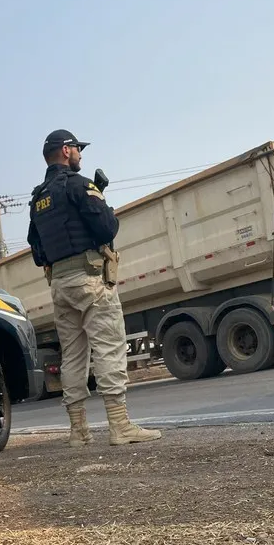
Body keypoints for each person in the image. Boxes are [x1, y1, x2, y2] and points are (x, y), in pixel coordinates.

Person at [27, 129, 162, 447]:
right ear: (65, 151)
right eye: (77, 149)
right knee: (110, 347)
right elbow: (106, 228)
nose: (81, 155)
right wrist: (104, 203)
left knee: (72, 356)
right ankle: (120, 426)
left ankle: (78, 431)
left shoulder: (37, 199)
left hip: (59, 285)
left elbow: (37, 252)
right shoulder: (78, 185)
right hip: (90, 281)